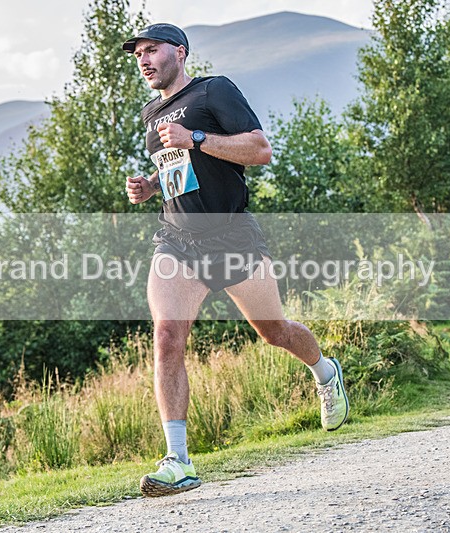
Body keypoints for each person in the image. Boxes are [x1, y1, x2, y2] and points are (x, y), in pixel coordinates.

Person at [122, 23, 349, 498]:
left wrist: (196, 137)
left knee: (274, 332)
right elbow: (181, 177)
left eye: (152, 50)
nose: (143, 60)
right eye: (138, 53)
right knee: (166, 337)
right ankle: (178, 460)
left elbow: (260, 150)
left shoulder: (214, 91)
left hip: (232, 237)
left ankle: (325, 372)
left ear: (179, 52)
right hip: (177, 241)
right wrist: (151, 187)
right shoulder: (151, 114)